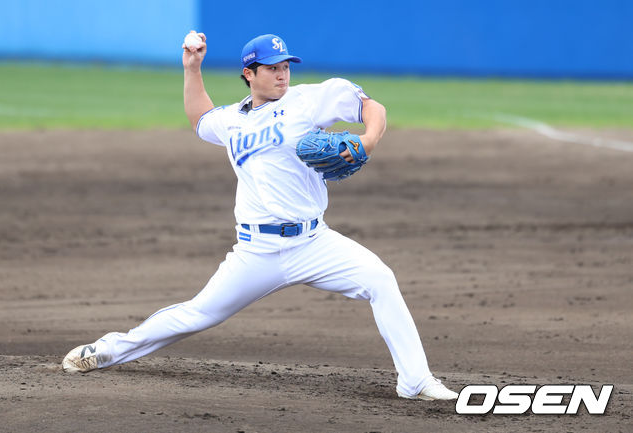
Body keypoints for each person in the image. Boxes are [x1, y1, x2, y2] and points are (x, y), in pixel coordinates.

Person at [61, 32, 458, 401]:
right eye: (271, 68)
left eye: (285, 66)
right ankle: (109, 350)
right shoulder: (233, 120)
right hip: (257, 251)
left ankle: (415, 380)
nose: (282, 74)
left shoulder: (309, 100)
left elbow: (372, 108)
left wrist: (368, 140)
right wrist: (192, 68)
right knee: (199, 314)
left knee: (380, 280)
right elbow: (200, 119)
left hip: (314, 242)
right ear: (249, 74)